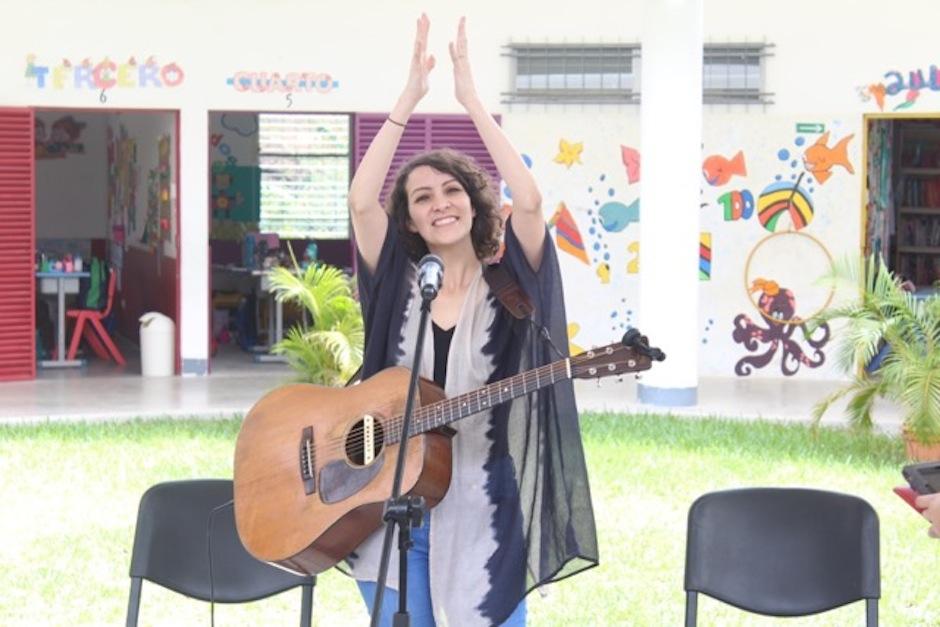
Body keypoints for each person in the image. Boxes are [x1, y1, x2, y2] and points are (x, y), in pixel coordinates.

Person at [345, 14, 598, 626]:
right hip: (388, 510)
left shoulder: (512, 283)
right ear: (409, 219)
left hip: (484, 509)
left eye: (452, 190)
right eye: (423, 197)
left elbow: (532, 201)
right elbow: (360, 201)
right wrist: (408, 100)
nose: (441, 204)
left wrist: (472, 103)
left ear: (473, 200)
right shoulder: (399, 286)